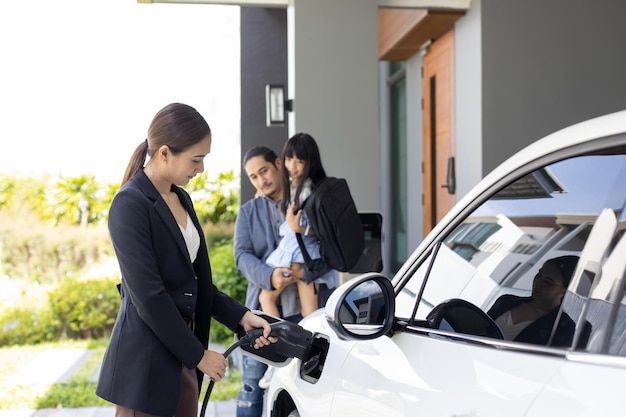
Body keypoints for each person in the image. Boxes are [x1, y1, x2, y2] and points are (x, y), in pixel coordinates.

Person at [95, 103, 274, 417]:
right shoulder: (129, 205)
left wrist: (241, 316)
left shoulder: (180, 197)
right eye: (196, 159)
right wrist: (199, 356)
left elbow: (194, 283)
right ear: (165, 153)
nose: (201, 168)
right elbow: (149, 296)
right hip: (148, 362)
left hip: (183, 351)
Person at [234, 144, 335, 417]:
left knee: (311, 389)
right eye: (253, 177)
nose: (260, 180)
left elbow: (330, 247)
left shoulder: (308, 200)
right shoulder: (248, 212)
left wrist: (307, 271)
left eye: (264, 171)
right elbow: (241, 256)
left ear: (279, 164)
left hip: (311, 309)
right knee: (253, 387)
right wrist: (270, 275)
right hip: (263, 316)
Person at [259, 134, 338, 318]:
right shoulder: (297, 185)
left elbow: (323, 230)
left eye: (299, 161)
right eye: (288, 159)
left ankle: (278, 342)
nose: (292, 166)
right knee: (309, 314)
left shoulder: (308, 189)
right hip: (303, 257)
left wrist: (300, 228)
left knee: (267, 299)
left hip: (297, 257)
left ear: (310, 162)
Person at [487, 255, 580, 347]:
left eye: (548, 282)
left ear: (566, 290)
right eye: (539, 275)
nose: (538, 283)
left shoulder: (562, 328)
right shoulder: (505, 301)